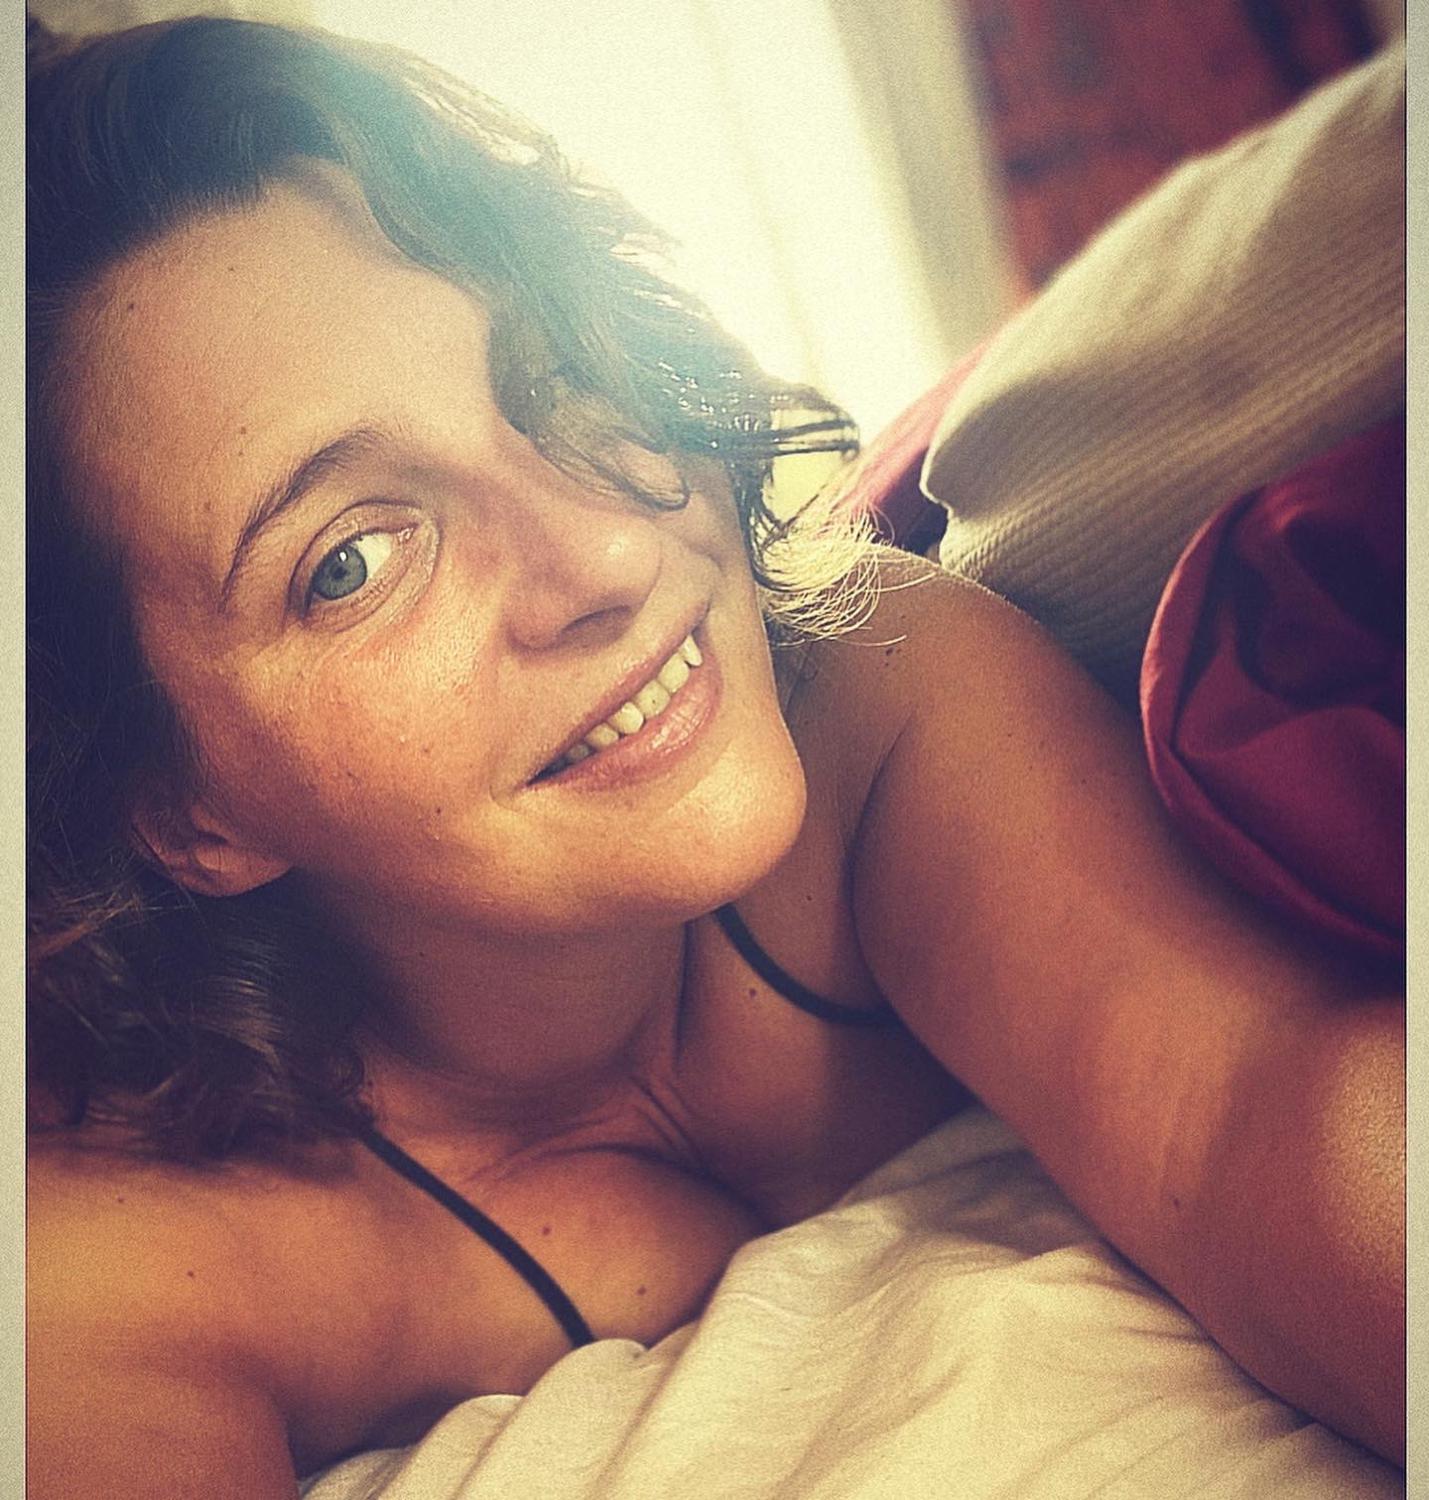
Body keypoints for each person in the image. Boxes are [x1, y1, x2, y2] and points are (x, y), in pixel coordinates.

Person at [25, 15, 1404, 1495]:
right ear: (177, 809)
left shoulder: (873, 686)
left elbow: (1246, 1109)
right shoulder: (121, 1262)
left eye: (549, 369)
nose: (610, 553)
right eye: (353, 560)